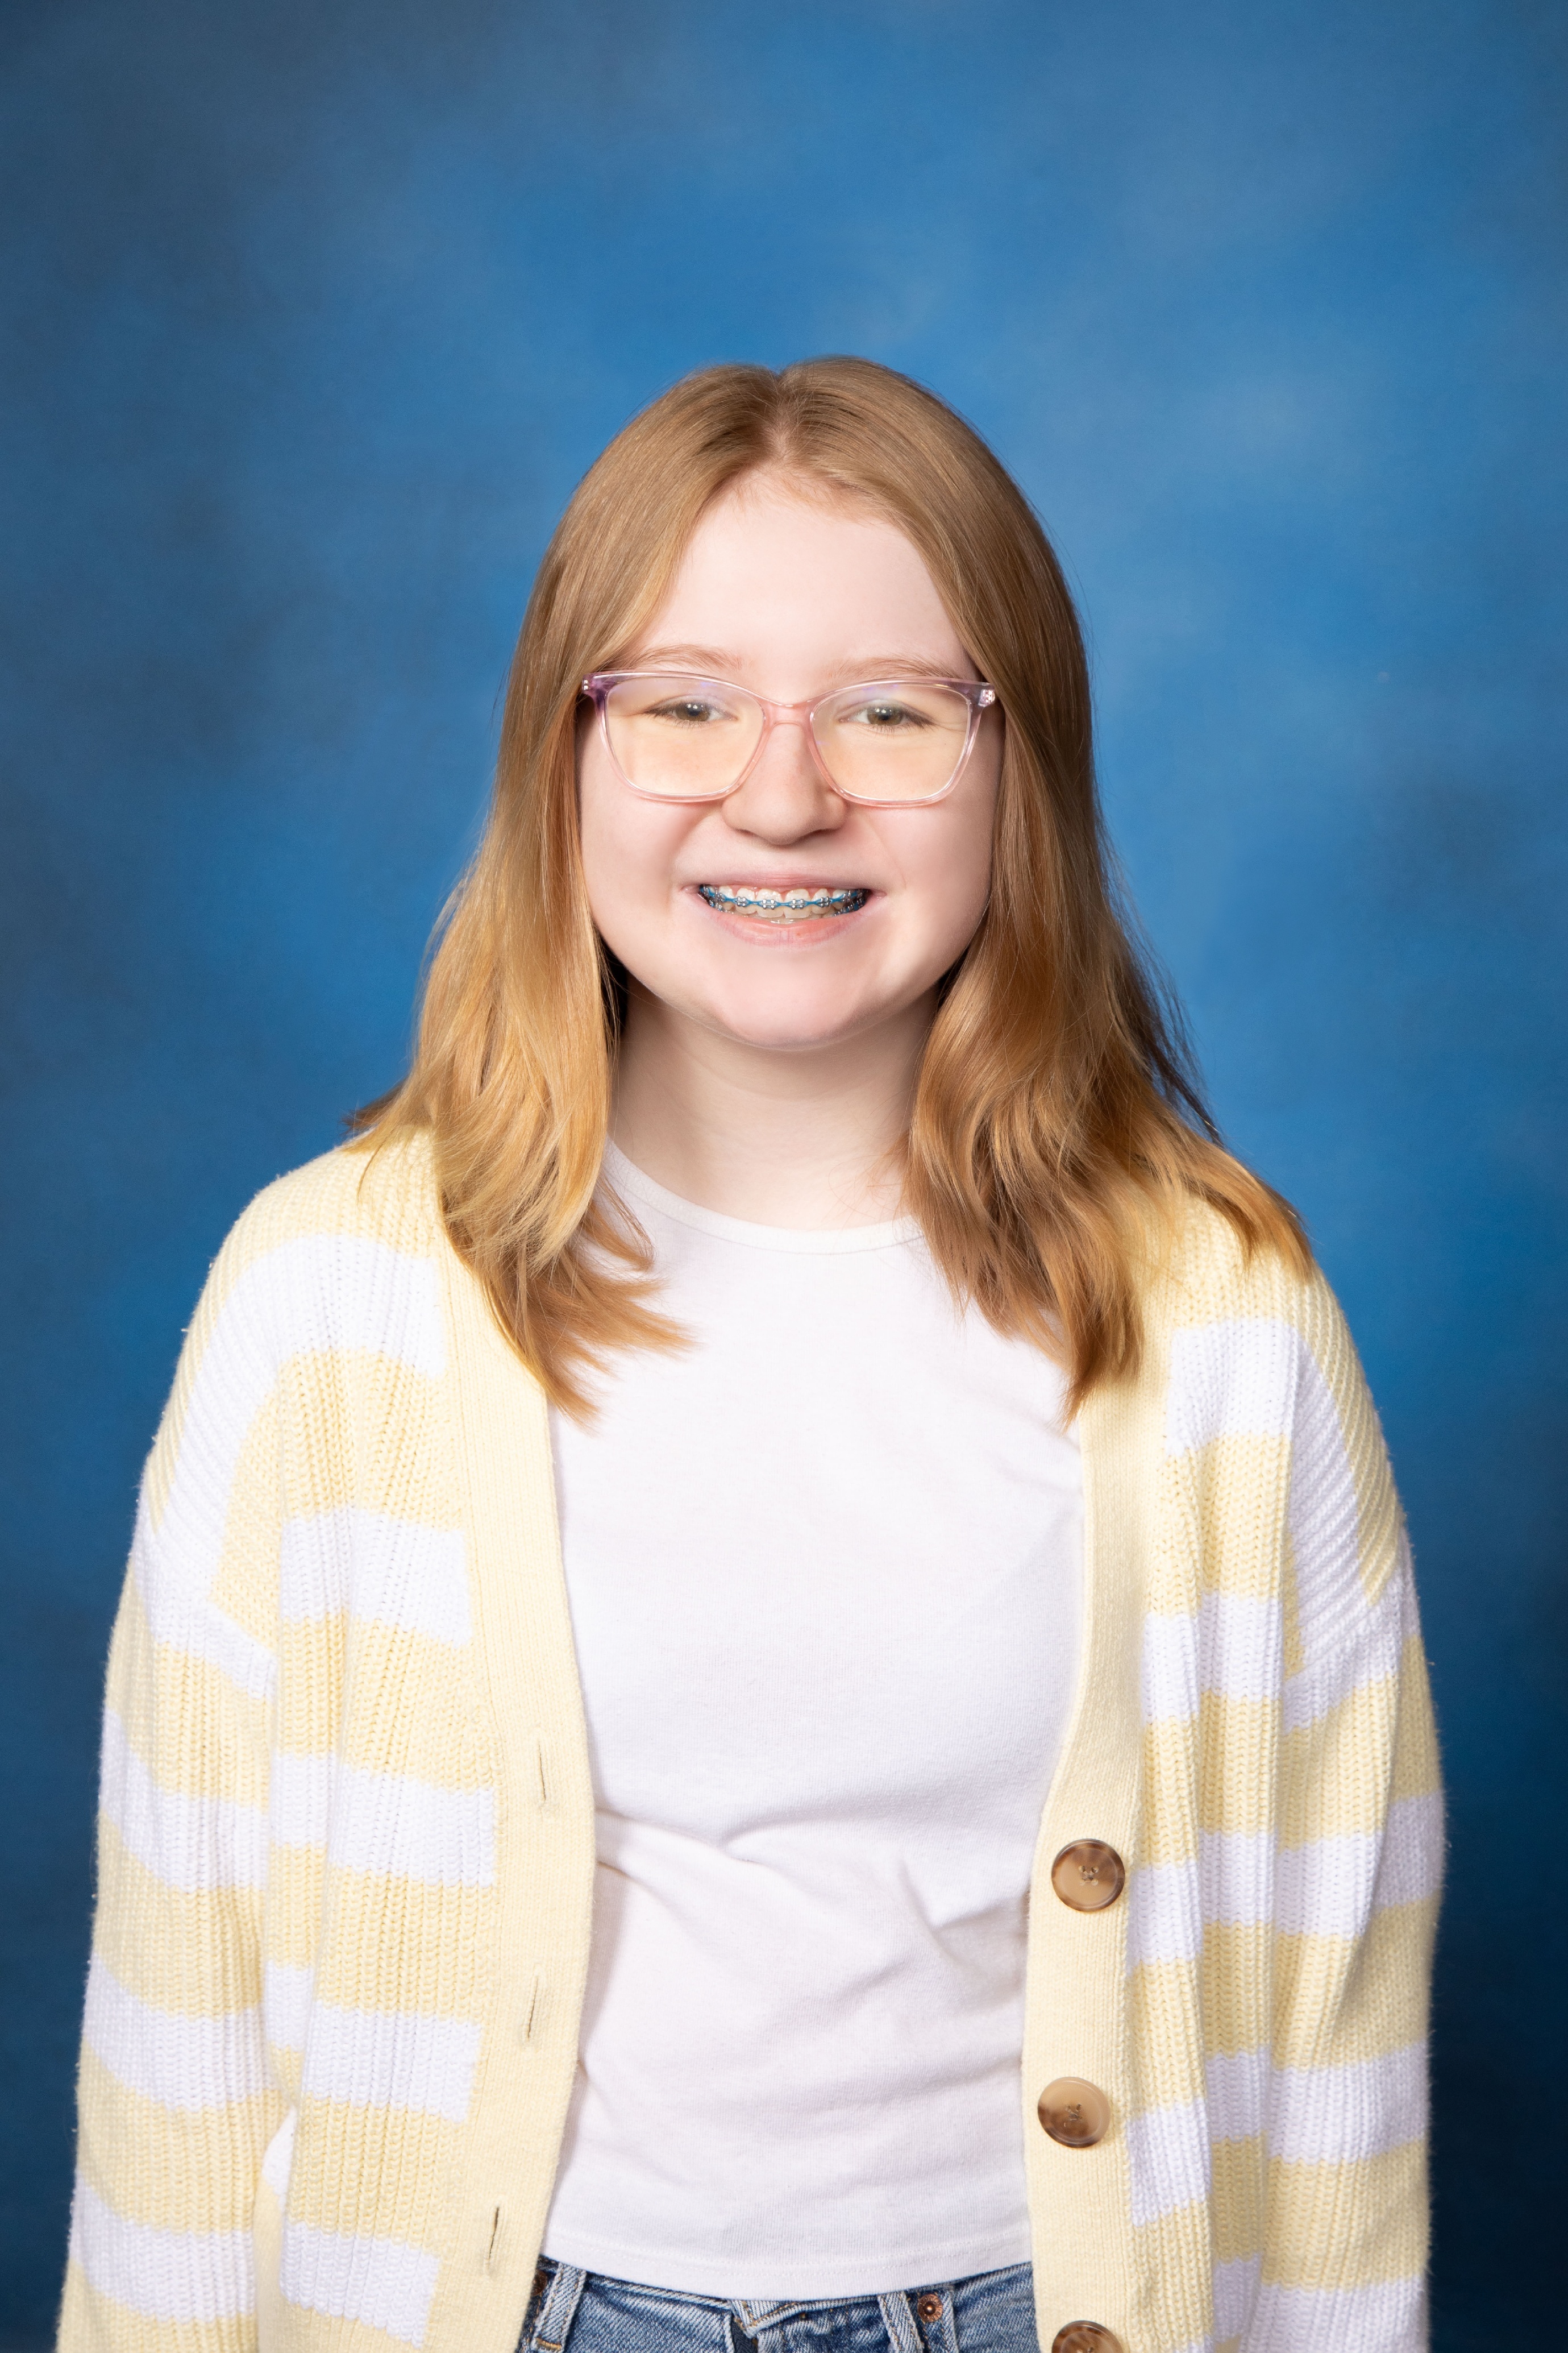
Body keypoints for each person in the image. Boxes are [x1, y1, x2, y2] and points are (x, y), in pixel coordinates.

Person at [59, 359, 1441, 2353]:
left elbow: (1331, 2022)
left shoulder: (1225, 1323)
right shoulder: (330, 1298)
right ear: (565, 755)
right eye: (685, 702)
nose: (781, 794)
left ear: (1022, 767)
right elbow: (183, 1998)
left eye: (891, 710)